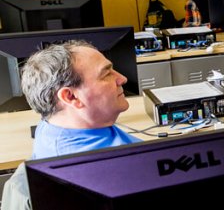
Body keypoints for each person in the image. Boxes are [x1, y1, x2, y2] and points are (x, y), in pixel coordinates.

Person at [1, 41, 141, 210]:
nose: (122, 78)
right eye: (106, 74)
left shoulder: (59, 124)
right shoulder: (90, 178)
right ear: (70, 97)